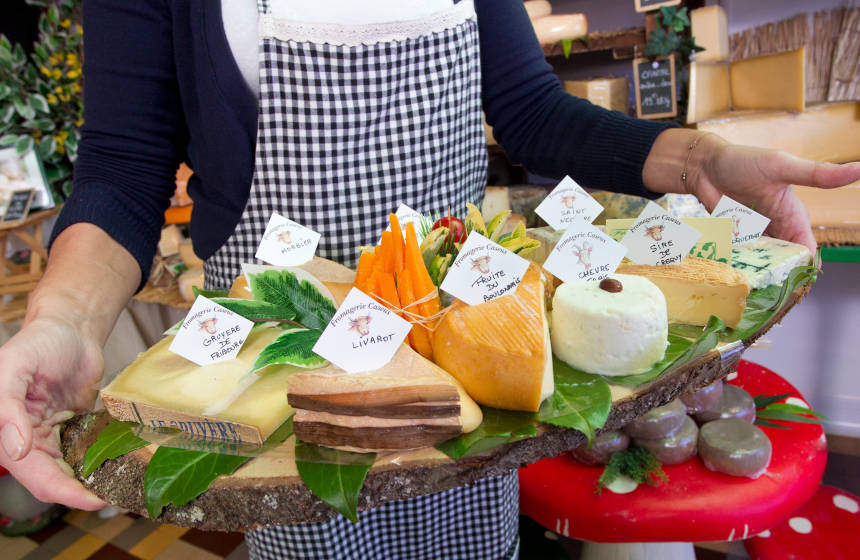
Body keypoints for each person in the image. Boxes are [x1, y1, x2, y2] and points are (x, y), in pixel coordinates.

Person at [0, 0, 858, 558]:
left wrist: (697, 154)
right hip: (289, 369)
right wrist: (64, 314)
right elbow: (126, 161)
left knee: (470, 532)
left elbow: (531, 110)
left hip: (460, 347)